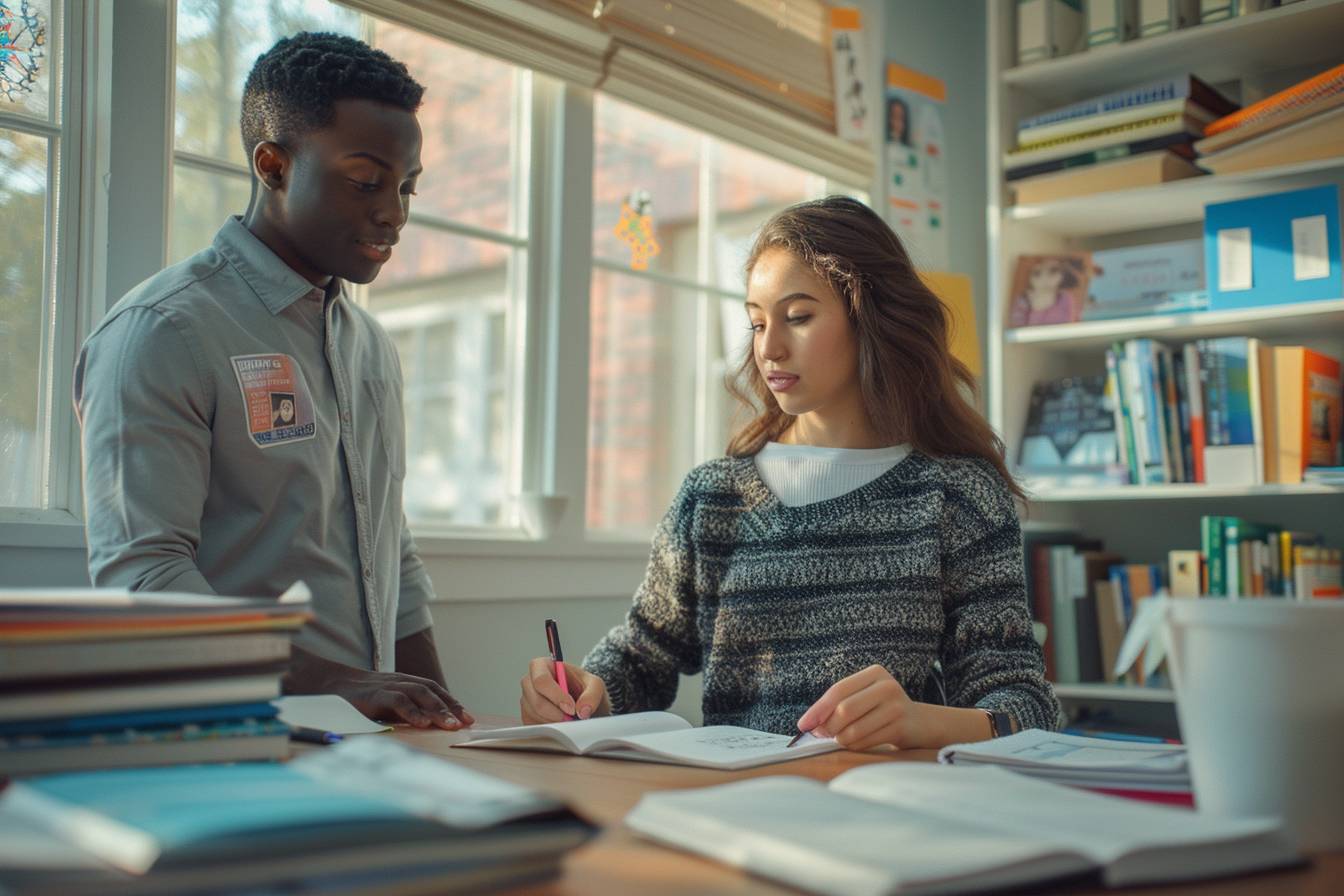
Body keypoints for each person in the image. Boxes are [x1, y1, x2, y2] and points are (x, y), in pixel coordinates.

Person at [520, 196, 1059, 750]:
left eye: (798, 317)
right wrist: (586, 693)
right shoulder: (713, 498)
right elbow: (640, 659)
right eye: (756, 323)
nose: (769, 348)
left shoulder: (959, 495)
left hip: (886, 809)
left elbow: (1025, 704)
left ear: (870, 316)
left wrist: (922, 720)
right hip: (734, 811)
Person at [74, 32, 472, 731]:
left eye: (407, 187)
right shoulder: (162, 332)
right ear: (273, 165)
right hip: (224, 735)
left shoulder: (371, 348)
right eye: (365, 181)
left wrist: (447, 722)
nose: (394, 212)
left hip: (373, 741)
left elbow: (392, 555)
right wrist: (337, 684)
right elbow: (145, 580)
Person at [1008, 254, 1087, 327]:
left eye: (1053, 270)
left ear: (1063, 278)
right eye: (1038, 271)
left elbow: (1065, 328)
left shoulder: (1065, 298)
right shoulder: (1023, 300)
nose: (1043, 271)